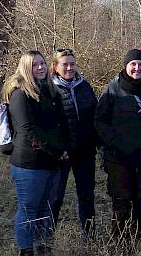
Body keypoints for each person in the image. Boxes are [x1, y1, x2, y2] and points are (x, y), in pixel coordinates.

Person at [95, 49, 141, 238]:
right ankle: (121, 243)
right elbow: (100, 120)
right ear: (126, 66)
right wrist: (114, 141)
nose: (137, 68)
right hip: (118, 157)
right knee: (121, 203)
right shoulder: (112, 89)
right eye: (133, 64)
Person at [3, 50, 69, 256]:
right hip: (29, 163)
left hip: (51, 161)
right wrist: (56, 151)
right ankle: (26, 250)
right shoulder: (20, 94)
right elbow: (28, 130)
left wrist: (63, 149)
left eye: (42, 63)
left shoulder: (50, 90)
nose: (40, 67)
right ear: (25, 67)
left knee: (45, 209)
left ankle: (43, 247)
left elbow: (59, 123)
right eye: (34, 65)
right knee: (29, 208)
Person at [49, 48, 97, 236]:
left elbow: (94, 114)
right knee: (55, 197)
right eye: (64, 64)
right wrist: (59, 148)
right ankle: (47, 237)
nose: (69, 68)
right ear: (55, 67)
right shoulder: (50, 88)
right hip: (61, 154)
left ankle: (90, 235)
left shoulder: (84, 85)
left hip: (85, 151)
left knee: (87, 196)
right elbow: (47, 123)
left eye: (72, 64)